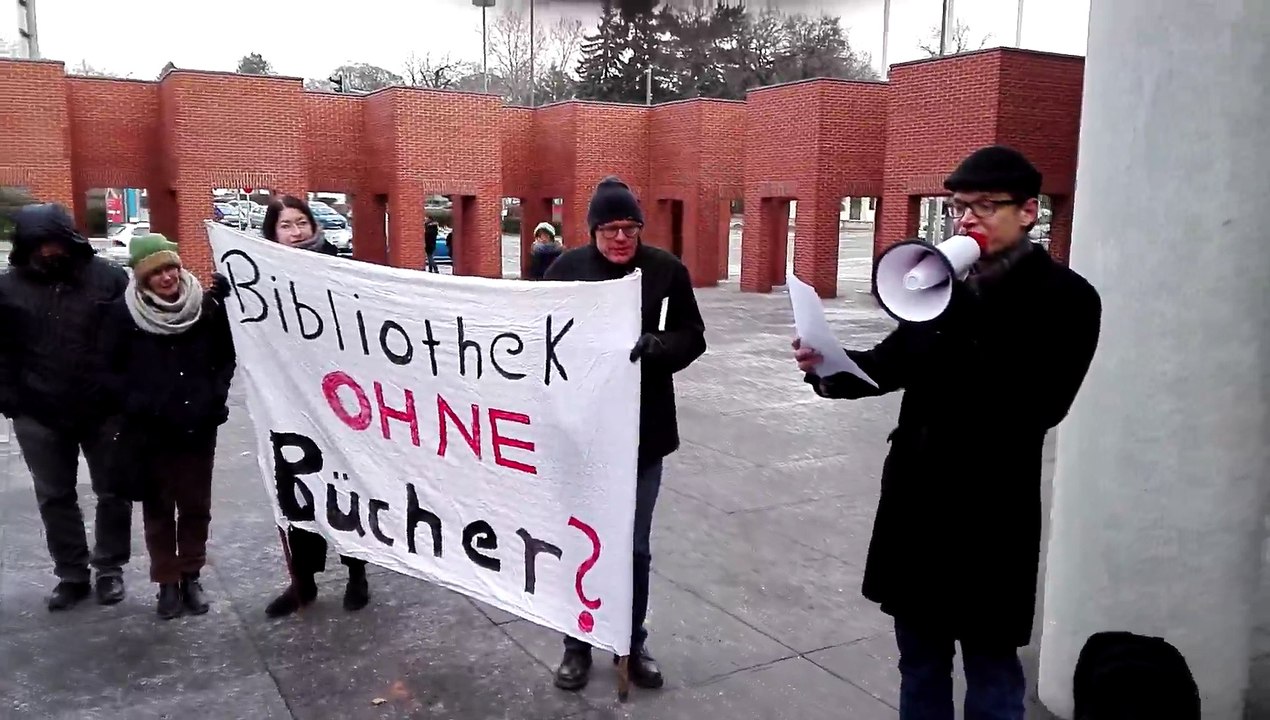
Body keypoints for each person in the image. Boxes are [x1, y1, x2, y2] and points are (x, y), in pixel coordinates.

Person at [792, 146, 1102, 720]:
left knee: (990, 667)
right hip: (917, 504)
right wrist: (829, 368)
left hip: (990, 513)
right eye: (960, 207)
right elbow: (890, 365)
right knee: (920, 660)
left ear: (1029, 212)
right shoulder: (937, 287)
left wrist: (962, 318)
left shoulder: (1068, 299)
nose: (967, 219)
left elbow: (1039, 406)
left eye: (986, 206)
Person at [545, 176, 707, 691]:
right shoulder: (565, 271)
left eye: (631, 228)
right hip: (582, 434)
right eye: (612, 228)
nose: (622, 238)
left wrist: (663, 347)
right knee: (582, 541)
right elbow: (537, 335)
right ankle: (577, 642)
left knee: (634, 547)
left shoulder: (665, 270)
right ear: (593, 230)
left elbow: (694, 335)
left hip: (644, 434)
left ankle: (631, 644)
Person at [0, 203, 132, 610]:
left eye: (54, 242)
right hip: (38, 410)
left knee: (113, 492)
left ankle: (109, 569)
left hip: (103, 408)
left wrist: (123, 393)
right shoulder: (7, 289)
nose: (48, 251)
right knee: (55, 495)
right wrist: (10, 398)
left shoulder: (109, 279)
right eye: (39, 244)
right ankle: (71, 573)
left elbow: (130, 339)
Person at [106, 235, 236, 619]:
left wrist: (214, 395)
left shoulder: (206, 308)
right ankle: (166, 580)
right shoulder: (123, 315)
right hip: (151, 429)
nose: (167, 277)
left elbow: (224, 357)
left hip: (198, 424)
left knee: (196, 505)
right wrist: (136, 402)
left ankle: (191, 574)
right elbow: (107, 368)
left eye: (171, 267)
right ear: (142, 279)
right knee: (159, 507)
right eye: (157, 272)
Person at [257, 194, 372, 617]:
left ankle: (357, 572)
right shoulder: (258, 278)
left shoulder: (337, 269)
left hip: (337, 402)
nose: (296, 231)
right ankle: (302, 581)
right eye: (285, 225)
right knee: (295, 491)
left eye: (301, 222)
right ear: (272, 233)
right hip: (287, 405)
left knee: (345, 486)